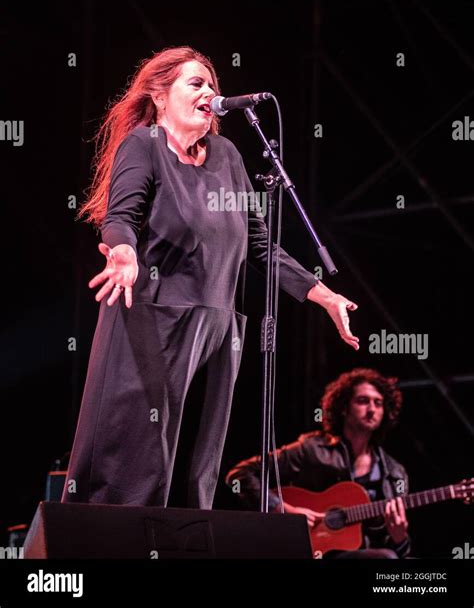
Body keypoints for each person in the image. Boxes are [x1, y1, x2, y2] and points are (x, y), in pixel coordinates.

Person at [61, 45, 359, 511]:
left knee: (195, 475)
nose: (209, 91)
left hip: (218, 333)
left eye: (212, 85)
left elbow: (261, 246)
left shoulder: (227, 156)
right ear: (160, 97)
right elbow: (120, 217)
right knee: (138, 468)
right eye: (195, 83)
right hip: (154, 327)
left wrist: (322, 295)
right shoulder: (145, 144)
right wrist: (123, 252)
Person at [226, 368, 410, 558]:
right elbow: (239, 475)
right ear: (344, 408)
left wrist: (400, 537)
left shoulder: (394, 474)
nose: (372, 409)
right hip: (305, 550)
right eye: (363, 401)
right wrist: (284, 509)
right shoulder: (313, 450)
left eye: (378, 403)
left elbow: (399, 552)